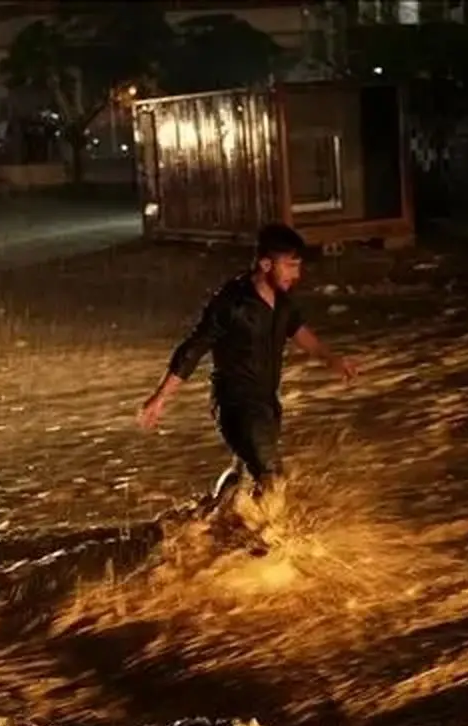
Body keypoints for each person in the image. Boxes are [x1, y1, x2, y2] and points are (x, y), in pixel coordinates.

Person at [137, 223, 357, 535]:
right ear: (266, 264)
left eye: (299, 266)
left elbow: (300, 333)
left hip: (267, 404)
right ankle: (273, 551)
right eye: (291, 265)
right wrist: (160, 398)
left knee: (244, 478)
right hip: (236, 405)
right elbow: (193, 348)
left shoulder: (282, 302)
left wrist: (332, 359)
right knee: (272, 476)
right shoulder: (232, 302)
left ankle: (206, 526)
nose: (297, 275)